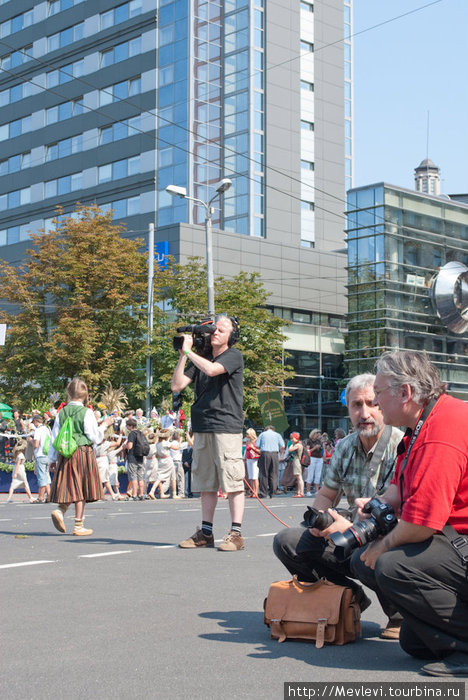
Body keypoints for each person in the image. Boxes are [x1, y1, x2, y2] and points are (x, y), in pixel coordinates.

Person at [348, 352, 468, 677]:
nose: (375, 400)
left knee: (390, 564)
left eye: (379, 392)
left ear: (406, 393)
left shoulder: (441, 432)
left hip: (459, 541)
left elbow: (420, 523)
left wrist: (380, 546)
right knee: (413, 643)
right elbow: (402, 487)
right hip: (455, 541)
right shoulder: (424, 424)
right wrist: (375, 505)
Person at [273, 373, 404, 639]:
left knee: (361, 554)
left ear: (382, 404)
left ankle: (399, 614)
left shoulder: (401, 444)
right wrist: (321, 521)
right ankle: (350, 597)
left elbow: (406, 514)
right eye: (357, 405)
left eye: (371, 403)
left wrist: (352, 527)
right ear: (349, 409)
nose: (364, 412)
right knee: (287, 541)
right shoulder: (344, 447)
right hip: (351, 533)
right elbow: (325, 495)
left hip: (393, 537)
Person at [171, 314, 245, 551]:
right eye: (214, 329)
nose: (215, 332)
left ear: (231, 336)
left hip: (226, 425)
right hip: (203, 425)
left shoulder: (233, 356)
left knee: (232, 482)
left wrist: (189, 351)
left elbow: (213, 370)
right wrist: (184, 355)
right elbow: (177, 385)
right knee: (206, 483)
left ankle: (236, 533)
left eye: (221, 330)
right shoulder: (200, 358)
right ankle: (206, 532)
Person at [48, 378, 114, 536]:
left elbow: (54, 437)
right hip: (82, 452)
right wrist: (105, 425)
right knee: (81, 487)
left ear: (68, 394)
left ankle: (60, 510)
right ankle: (78, 525)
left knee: (70, 484)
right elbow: (94, 437)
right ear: (85, 395)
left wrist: (52, 458)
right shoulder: (87, 412)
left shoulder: (61, 412)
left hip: (65, 453)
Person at [256, 425, 285, 499]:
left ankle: (263, 493)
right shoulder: (277, 435)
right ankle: (272, 493)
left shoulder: (262, 434)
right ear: (273, 429)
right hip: (274, 454)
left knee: (263, 474)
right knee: (274, 474)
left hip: (265, 453)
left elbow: (257, 445)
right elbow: (282, 445)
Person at [28, 415, 51, 504]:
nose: (33, 424)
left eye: (33, 422)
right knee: (46, 476)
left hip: (40, 455)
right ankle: (49, 496)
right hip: (47, 455)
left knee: (41, 477)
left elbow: (36, 444)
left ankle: (41, 497)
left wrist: (30, 440)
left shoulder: (38, 430)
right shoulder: (47, 429)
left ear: (36, 421)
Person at [124, 417, 146, 500]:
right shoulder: (140, 433)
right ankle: (141, 494)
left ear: (130, 426)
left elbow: (130, 446)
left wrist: (125, 446)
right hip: (140, 457)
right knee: (140, 477)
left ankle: (134, 495)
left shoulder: (132, 434)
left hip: (132, 457)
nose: (126, 427)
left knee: (133, 476)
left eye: (127, 426)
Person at [305, 428, 323, 496]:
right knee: (310, 474)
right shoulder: (309, 441)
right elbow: (307, 451)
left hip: (319, 458)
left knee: (318, 475)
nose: (318, 436)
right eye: (317, 434)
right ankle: (308, 491)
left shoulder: (319, 441)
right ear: (313, 434)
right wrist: (315, 448)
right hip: (312, 458)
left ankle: (317, 490)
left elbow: (322, 449)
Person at [288, 431, 305, 498]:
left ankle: (301, 492)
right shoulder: (299, 444)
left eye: (293, 438)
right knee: (298, 478)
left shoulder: (298, 445)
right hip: (297, 461)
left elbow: (290, 449)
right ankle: (299, 492)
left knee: (299, 477)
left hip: (297, 461)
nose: (291, 440)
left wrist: (292, 444)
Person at [244, 428, 260, 497]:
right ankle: (252, 491)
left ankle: (256, 491)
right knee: (251, 476)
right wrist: (245, 458)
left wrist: (253, 448)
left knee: (255, 476)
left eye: (247, 434)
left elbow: (259, 451)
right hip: (249, 459)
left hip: (255, 459)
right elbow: (246, 450)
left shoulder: (257, 441)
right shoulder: (248, 441)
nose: (246, 435)